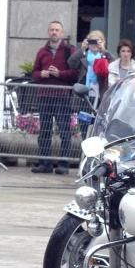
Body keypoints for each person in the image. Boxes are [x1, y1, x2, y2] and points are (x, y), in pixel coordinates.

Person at [31, 21, 77, 174]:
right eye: (52, 30)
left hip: (62, 96)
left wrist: (59, 74)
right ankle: (45, 163)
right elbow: (34, 73)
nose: (54, 32)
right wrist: (41, 74)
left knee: (64, 131)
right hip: (44, 96)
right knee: (44, 131)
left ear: (62, 33)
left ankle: (63, 164)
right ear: (48, 32)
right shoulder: (41, 52)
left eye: (57, 30)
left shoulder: (70, 50)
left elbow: (75, 73)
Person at [67, 29, 110, 104]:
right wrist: (82, 49)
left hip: (100, 94)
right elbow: (71, 63)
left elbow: (114, 64)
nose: (94, 44)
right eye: (91, 42)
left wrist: (104, 50)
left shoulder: (104, 56)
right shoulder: (83, 56)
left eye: (96, 42)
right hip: (84, 95)